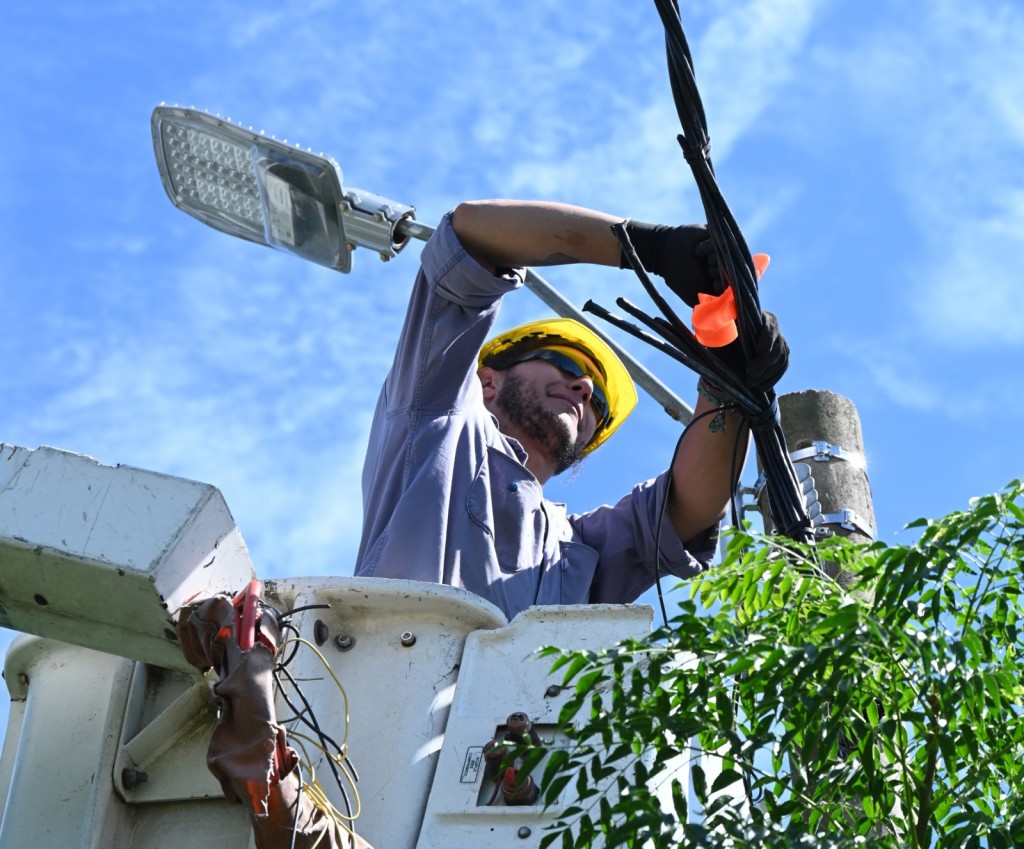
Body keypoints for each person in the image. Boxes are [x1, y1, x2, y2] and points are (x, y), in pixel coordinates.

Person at [354, 200, 786, 620]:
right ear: (487, 380)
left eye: (597, 401)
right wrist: (646, 247)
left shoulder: (575, 552)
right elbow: (470, 234)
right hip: (383, 684)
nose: (582, 387)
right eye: (564, 364)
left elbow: (689, 508)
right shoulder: (438, 417)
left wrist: (725, 379)